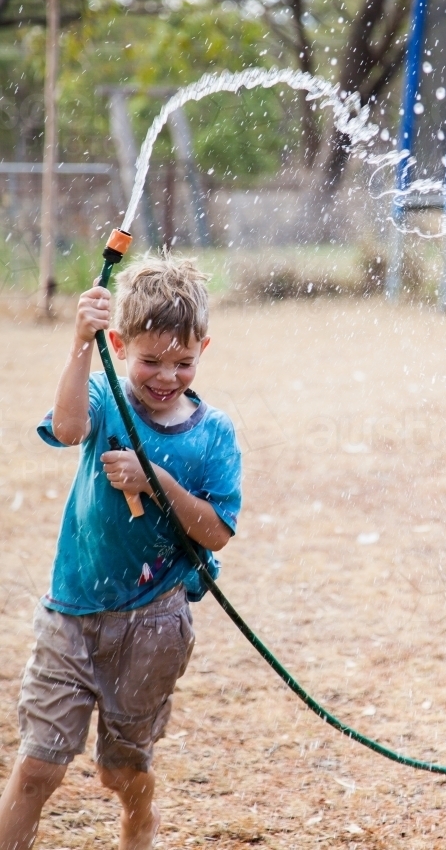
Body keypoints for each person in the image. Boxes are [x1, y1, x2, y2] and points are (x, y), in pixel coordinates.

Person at [0, 254, 241, 850]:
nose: (165, 377)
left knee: (121, 769)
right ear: (119, 343)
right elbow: (70, 426)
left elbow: (216, 532)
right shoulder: (106, 394)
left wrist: (154, 480)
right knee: (38, 766)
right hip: (72, 609)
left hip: (155, 620)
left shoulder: (214, 434)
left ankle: (140, 817)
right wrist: (80, 344)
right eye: (149, 361)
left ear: (203, 349)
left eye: (182, 362)